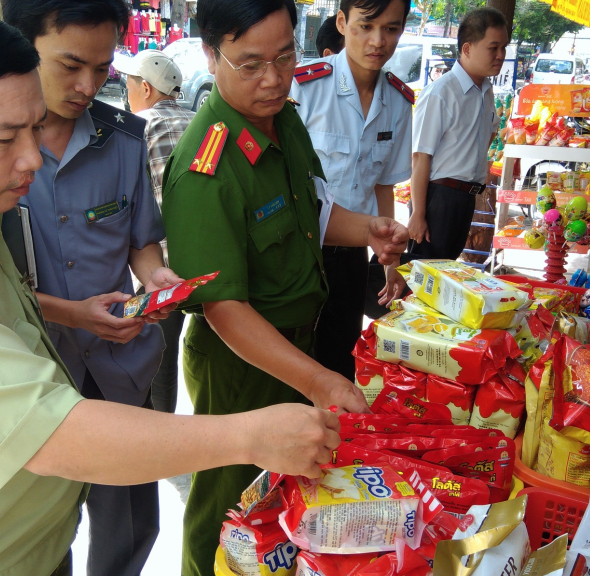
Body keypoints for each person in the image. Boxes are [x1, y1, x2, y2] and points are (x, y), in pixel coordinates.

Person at [0, 3, 342, 576]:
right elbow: (51, 434)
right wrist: (250, 436)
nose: (29, 160)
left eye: (32, 129)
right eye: (5, 138)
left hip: (31, 542)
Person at [160, 1, 410, 574]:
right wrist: (320, 379)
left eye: (284, 56)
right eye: (250, 64)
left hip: (301, 342)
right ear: (209, 55)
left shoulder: (285, 119)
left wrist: (366, 229)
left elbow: (311, 210)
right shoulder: (206, 168)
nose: (272, 78)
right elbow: (223, 308)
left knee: (279, 500)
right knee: (226, 506)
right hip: (241, 360)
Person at [0, 2, 177, 574]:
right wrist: (70, 313)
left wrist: (156, 279)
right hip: (27, 369)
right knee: (39, 528)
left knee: (127, 522)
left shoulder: (123, 140)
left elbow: (140, 240)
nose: (86, 86)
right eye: (71, 65)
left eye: (102, 70)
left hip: (115, 365)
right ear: (23, 46)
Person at [290, 0, 413, 381]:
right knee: (292, 359)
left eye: (391, 29)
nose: (378, 41)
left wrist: (391, 262)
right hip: (298, 248)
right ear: (342, 22)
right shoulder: (306, 85)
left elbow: (383, 185)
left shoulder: (398, 100)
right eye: (366, 26)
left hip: (351, 258)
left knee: (340, 358)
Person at [116, 48, 197, 415]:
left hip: (162, 267)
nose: (126, 90)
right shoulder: (201, 122)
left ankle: (161, 426)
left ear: (145, 88)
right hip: (213, 260)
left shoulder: (137, 127)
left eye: (128, 83)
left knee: (157, 356)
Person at [407, 7, 507, 260]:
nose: (500, 55)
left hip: (465, 197)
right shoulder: (441, 93)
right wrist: (418, 214)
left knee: (447, 273)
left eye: (503, 48)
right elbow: (420, 156)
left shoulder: (486, 90)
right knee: (426, 275)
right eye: (493, 48)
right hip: (438, 198)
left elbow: (484, 139)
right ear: (467, 49)